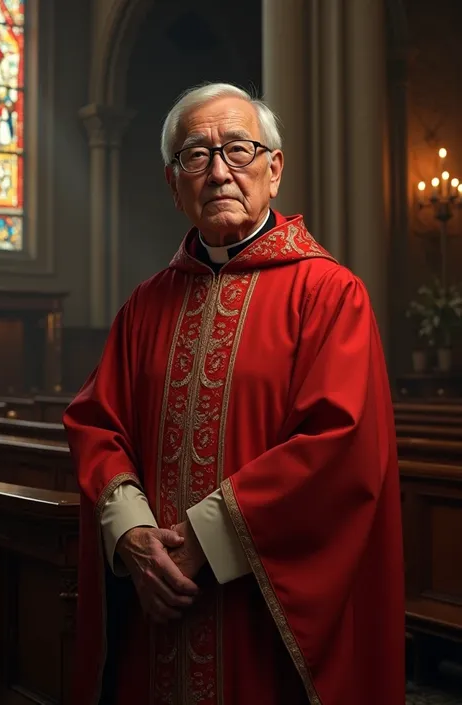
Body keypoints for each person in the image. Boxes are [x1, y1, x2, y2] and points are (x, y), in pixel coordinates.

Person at [64, 82, 405, 705]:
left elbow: (339, 445)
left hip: (259, 614)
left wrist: (208, 538)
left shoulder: (329, 295)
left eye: (239, 150)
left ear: (274, 169)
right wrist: (133, 534)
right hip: (155, 606)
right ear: (174, 185)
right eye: (195, 156)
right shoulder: (145, 304)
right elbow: (96, 423)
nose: (219, 171)